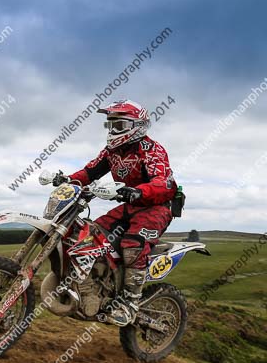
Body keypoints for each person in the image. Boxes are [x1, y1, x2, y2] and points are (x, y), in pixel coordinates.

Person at [53, 99, 177, 326]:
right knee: (91, 234)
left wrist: (139, 191)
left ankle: (129, 302)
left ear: (137, 126)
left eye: (119, 125)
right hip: (131, 205)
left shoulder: (151, 150)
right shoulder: (112, 151)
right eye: (110, 125)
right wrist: (67, 180)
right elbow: (89, 172)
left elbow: (165, 183)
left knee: (132, 245)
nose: (113, 130)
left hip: (156, 207)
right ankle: (98, 285)